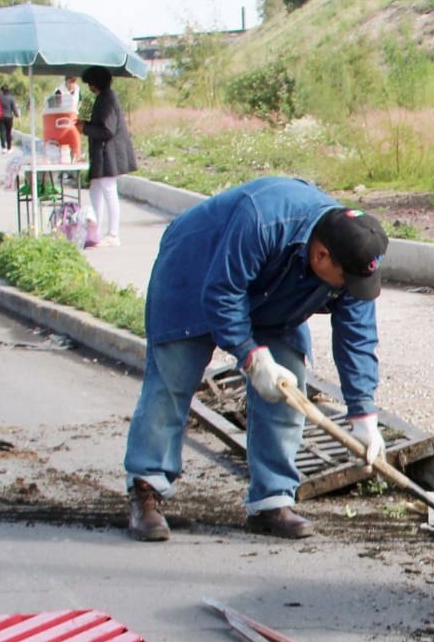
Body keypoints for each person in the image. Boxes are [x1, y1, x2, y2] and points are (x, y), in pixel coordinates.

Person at [123, 178, 390, 542]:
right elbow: (222, 294)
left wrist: (364, 415)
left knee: (287, 390)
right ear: (321, 256)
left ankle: (271, 501)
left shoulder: (356, 253)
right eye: (345, 282)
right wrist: (250, 356)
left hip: (276, 293)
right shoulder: (262, 219)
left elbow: (357, 335)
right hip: (194, 272)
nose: (349, 290)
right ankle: (146, 490)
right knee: (171, 383)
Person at [76, 66, 137, 247]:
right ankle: (95, 231)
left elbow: (107, 130)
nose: (89, 88)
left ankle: (113, 233)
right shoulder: (103, 98)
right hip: (102, 153)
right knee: (96, 189)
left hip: (109, 153)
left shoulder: (107, 99)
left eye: (90, 84)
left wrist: (85, 129)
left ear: (96, 83)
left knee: (109, 190)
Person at [0, 86, 18, 151]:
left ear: (1, 90)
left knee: (2, 132)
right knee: (8, 132)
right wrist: (16, 115)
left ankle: (3, 147)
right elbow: (14, 108)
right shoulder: (11, 98)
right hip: (9, 117)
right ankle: (9, 148)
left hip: (0, 117)